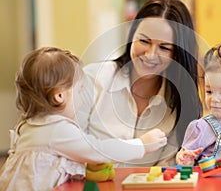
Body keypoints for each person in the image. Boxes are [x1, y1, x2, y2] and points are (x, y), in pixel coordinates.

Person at [0, 47, 167, 190]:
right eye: (79, 90)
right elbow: (99, 150)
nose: (82, 97)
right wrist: (142, 145)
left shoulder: (32, 125)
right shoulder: (57, 130)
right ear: (59, 96)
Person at [79, 0, 202, 166]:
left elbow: (166, 172)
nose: (150, 54)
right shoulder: (93, 79)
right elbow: (69, 145)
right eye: (144, 41)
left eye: (164, 48)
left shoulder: (179, 105)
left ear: (177, 54)